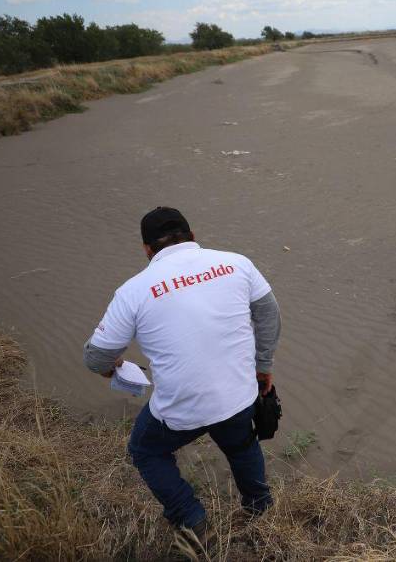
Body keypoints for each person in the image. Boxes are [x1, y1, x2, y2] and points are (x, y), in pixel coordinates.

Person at [83, 206, 281, 544]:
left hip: (181, 406)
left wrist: (111, 369)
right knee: (241, 443)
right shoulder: (236, 263)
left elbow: (97, 356)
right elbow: (268, 315)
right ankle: (260, 507)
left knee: (145, 451)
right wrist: (263, 366)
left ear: (147, 249)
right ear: (192, 236)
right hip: (239, 394)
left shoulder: (133, 290)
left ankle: (192, 517)